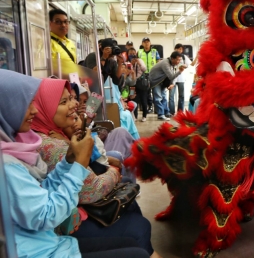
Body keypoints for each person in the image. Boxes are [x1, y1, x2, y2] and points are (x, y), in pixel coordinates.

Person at [0, 69, 150, 258]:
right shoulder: (11, 163)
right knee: (137, 239)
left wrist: (68, 161)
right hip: (46, 247)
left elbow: (43, 190)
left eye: (73, 99)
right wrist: (82, 166)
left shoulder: (23, 146)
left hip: (52, 243)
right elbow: (47, 215)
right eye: (64, 102)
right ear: (7, 109)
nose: (75, 105)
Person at [149, 51, 184, 120]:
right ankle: (161, 115)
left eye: (180, 60)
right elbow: (171, 76)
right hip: (155, 81)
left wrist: (172, 84)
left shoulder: (173, 64)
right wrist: (180, 71)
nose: (179, 61)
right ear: (172, 59)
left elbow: (173, 75)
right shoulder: (165, 63)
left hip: (162, 81)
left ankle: (166, 112)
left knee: (164, 97)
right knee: (158, 98)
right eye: (177, 59)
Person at [50, 9, 78, 75]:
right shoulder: (47, 42)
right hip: (58, 82)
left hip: (72, 81)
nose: (63, 25)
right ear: (50, 23)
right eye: (58, 22)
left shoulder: (70, 42)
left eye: (66, 22)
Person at [138, 37, 160, 113]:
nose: (146, 43)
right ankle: (148, 106)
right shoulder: (139, 52)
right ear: (142, 43)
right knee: (146, 91)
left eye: (148, 42)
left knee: (154, 91)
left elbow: (158, 62)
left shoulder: (154, 51)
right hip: (143, 74)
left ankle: (155, 108)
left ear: (150, 43)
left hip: (153, 74)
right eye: (145, 42)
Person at [128, 48, 149, 121]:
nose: (132, 54)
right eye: (130, 53)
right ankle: (135, 116)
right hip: (131, 84)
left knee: (143, 100)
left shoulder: (140, 60)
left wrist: (138, 63)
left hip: (141, 83)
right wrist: (131, 65)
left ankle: (144, 116)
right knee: (133, 99)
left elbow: (144, 69)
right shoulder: (127, 62)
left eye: (133, 53)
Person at [169, 43, 191, 114]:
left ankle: (180, 112)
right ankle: (171, 112)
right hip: (173, 78)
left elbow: (189, 64)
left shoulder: (184, 57)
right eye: (178, 48)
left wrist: (185, 65)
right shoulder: (171, 57)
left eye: (181, 49)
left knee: (181, 96)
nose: (179, 50)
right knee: (171, 96)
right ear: (175, 49)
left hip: (181, 79)